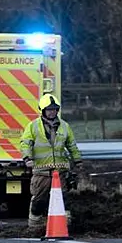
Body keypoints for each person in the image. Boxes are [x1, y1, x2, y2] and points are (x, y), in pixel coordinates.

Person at [20, 94, 82, 229]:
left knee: (63, 198)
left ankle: (65, 224)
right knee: (39, 200)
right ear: (42, 111)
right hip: (41, 172)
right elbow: (26, 144)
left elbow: (71, 144)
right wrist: (27, 158)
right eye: (49, 109)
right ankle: (35, 225)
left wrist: (78, 160)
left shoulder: (65, 126)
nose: (52, 112)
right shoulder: (33, 126)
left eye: (54, 109)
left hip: (60, 172)